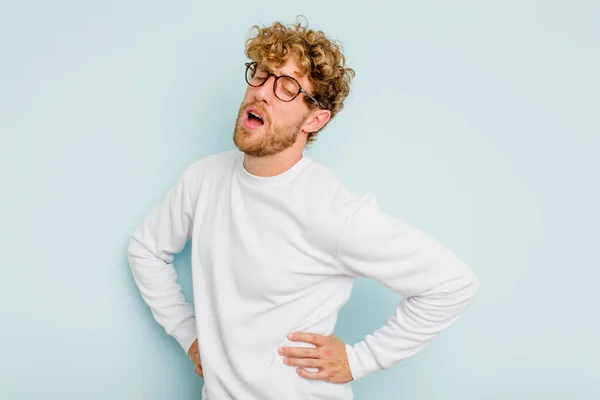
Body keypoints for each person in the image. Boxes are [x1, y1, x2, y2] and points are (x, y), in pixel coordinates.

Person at [127, 19, 480, 400]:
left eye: (287, 87)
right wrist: (190, 336)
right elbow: (145, 250)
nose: (262, 92)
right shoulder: (204, 179)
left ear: (314, 119)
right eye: (262, 75)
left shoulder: (333, 212)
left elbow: (453, 284)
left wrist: (361, 360)